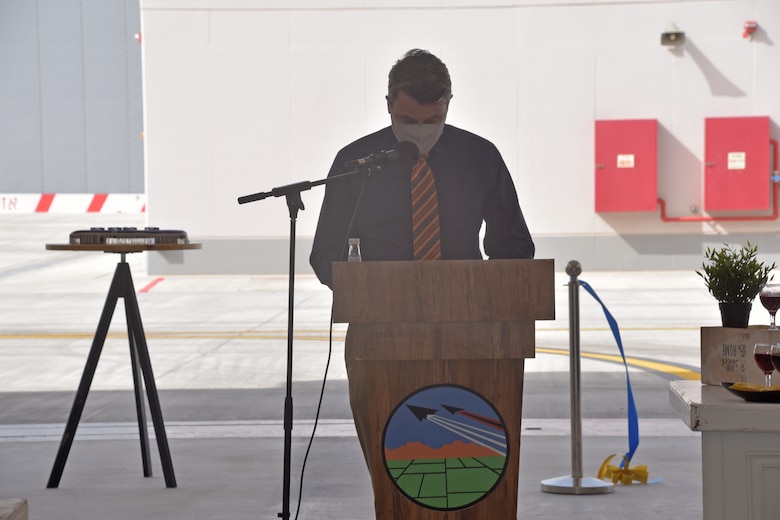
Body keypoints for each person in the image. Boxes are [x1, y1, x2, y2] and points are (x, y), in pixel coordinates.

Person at [309, 48, 534, 288]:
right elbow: (328, 251)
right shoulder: (355, 162)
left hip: (464, 306)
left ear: (448, 105)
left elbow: (513, 245)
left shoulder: (480, 157)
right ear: (388, 105)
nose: (419, 131)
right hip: (378, 309)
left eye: (431, 121)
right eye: (407, 121)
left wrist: (484, 292)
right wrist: (364, 291)